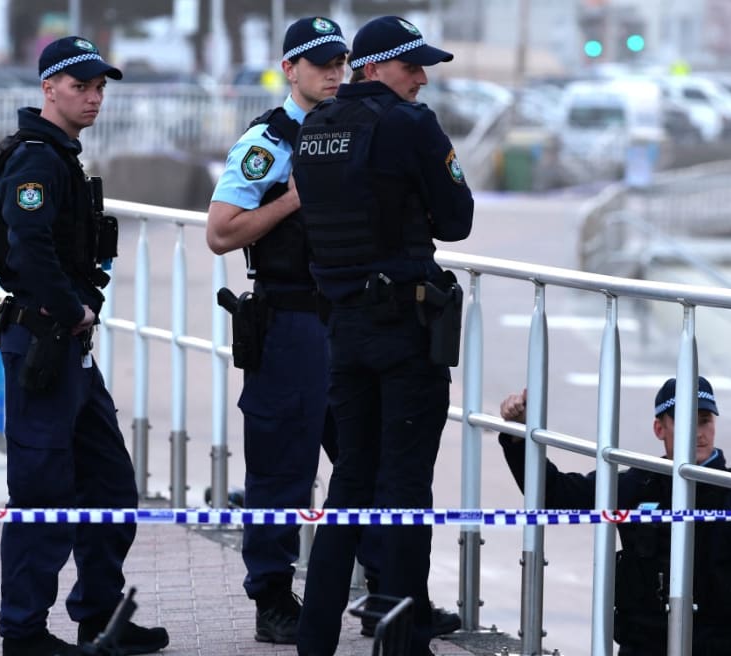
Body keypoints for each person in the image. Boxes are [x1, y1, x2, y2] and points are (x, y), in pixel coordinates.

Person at [293, 15, 474, 656]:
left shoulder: (314, 129)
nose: (422, 78)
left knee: (349, 486)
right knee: (403, 490)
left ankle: (315, 640)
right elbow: (457, 221)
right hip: (403, 328)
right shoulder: (409, 125)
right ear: (374, 67)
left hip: (343, 328)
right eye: (410, 65)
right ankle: (402, 642)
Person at [0, 36, 169, 656]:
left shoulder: (60, 154)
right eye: (80, 86)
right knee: (42, 493)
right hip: (44, 344)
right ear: (49, 88)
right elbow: (26, 252)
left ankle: (98, 617)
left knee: (111, 486)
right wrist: (73, 308)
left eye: (99, 89)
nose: (93, 98)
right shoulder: (36, 158)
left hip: (68, 350)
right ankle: (24, 633)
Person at [206, 16, 349, 645]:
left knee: (366, 465)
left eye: (340, 61)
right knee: (280, 472)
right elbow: (220, 232)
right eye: (319, 62)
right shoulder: (268, 140)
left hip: (350, 323)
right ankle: (271, 598)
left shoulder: (352, 130)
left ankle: (390, 596)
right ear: (289, 68)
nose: (333, 72)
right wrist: (292, 198)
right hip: (289, 322)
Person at [497, 377, 731, 656]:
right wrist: (518, 435)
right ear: (659, 429)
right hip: (642, 645)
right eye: (686, 421)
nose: (698, 432)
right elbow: (556, 496)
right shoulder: (641, 483)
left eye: (705, 421)